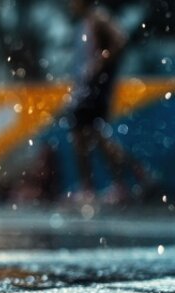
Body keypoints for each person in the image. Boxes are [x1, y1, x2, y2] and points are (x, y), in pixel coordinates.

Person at [66, 0, 152, 203]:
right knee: (91, 134)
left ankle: (106, 186)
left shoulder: (98, 17)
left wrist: (100, 63)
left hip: (95, 87)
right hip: (87, 87)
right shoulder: (87, 21)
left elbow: (120, 39)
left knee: (89, 133)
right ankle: (133, 178)